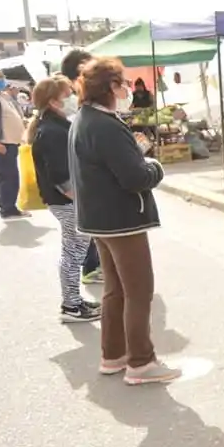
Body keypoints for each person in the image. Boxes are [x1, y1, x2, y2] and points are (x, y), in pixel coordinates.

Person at [69, 57, 180, 385]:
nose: (127, 89)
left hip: (98, 220)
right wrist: (154, 166)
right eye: (123, 83)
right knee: (138, 290)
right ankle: (141, 362)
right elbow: (134, 178)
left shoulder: (84, 118)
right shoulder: (105, 124)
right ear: (111, 87)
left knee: (115, 290)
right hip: (120, 220)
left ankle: (113, 355)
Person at [27, 76, 100, 322]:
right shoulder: (52, 131)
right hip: (67, 201)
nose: (73, 98)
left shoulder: (53, 126)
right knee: (73, 253)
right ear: (54, 101)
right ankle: (71, 306)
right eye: (68, 94)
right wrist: (81, 200)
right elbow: (60, 175)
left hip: (66, 200)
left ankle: (74, 301)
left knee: (73, 252)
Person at [59, 50, 103, 284]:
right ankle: (72, 301)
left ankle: (75, 297)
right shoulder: (69, 104)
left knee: (80, 240)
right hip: (73, 185)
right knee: (75, 244)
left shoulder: (75, 105)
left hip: (78, 182)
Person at [0, 68, 30, 221]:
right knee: (7, 176)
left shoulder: (1, 95)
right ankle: (8, 209)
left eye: (2, 77)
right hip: (2, 144)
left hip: (11, 142)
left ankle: (10, 206)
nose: (2, 80)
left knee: (11, 175)